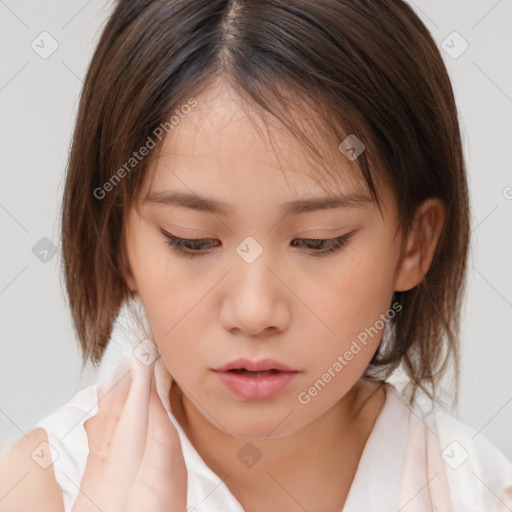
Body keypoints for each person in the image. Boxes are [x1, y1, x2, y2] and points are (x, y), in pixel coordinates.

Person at [1, 0, 511, 510]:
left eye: (318, 241)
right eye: (191, 240)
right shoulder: (35, 490)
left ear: (414, 244)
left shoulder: (478, 492)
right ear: (118, 243)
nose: (253, 311)